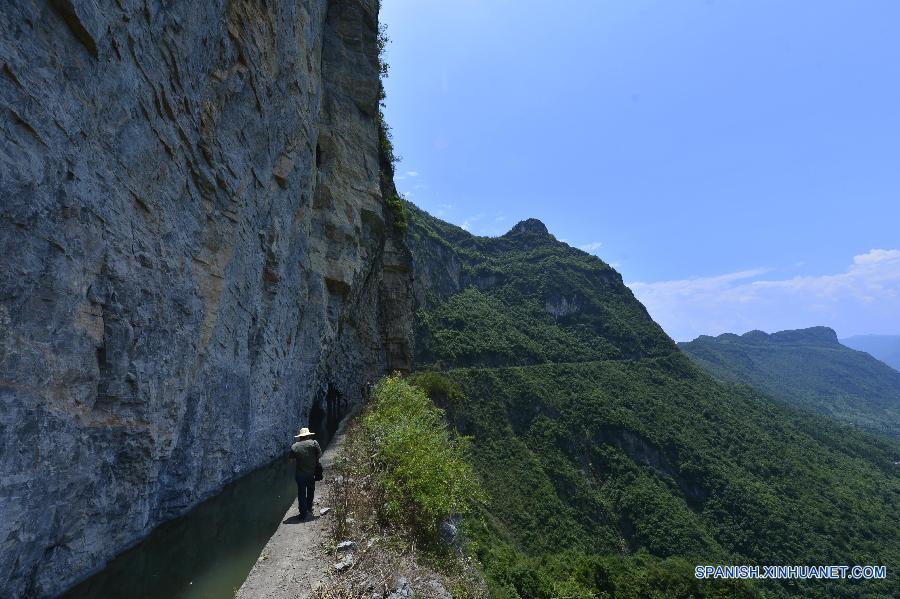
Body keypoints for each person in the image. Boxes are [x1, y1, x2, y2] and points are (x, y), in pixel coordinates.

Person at [290, 427, 322, 519]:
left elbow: (291, 461)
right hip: (311, 473)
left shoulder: (295, 446)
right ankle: (309, 508)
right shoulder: (314, 443)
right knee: (311, 490)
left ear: (300, 437)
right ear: (308, 435)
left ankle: (303, 513)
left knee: (301, 493)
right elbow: (320, 455)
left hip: (300, 474)